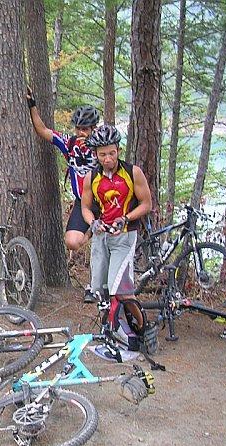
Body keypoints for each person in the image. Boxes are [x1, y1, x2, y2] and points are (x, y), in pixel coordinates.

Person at [80, 125, 152, 353]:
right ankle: (109, 328)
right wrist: (93, 222)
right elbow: (85, 208)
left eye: (111, 153)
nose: (108, 158)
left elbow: (147, 204)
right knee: (99, 289)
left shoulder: (133, 173)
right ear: (96, 155)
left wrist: (126, 218)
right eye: (103, 154)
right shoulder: (91, 177)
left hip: (125, 236)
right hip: (102, 237)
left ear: (118, 150)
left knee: (120, 288)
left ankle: (143, 328)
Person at [26, 88, 100, 302]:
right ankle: (94, 231)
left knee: (103, 249)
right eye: (78, 128)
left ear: (94, 128)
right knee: (72, 241)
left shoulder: (103, 146)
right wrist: (32, 105)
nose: (81, 133)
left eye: (85, 129)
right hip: (83, 203)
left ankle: (95, 288)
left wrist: (96, 146)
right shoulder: (70, 144)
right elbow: (42, 130)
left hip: (106, 202)